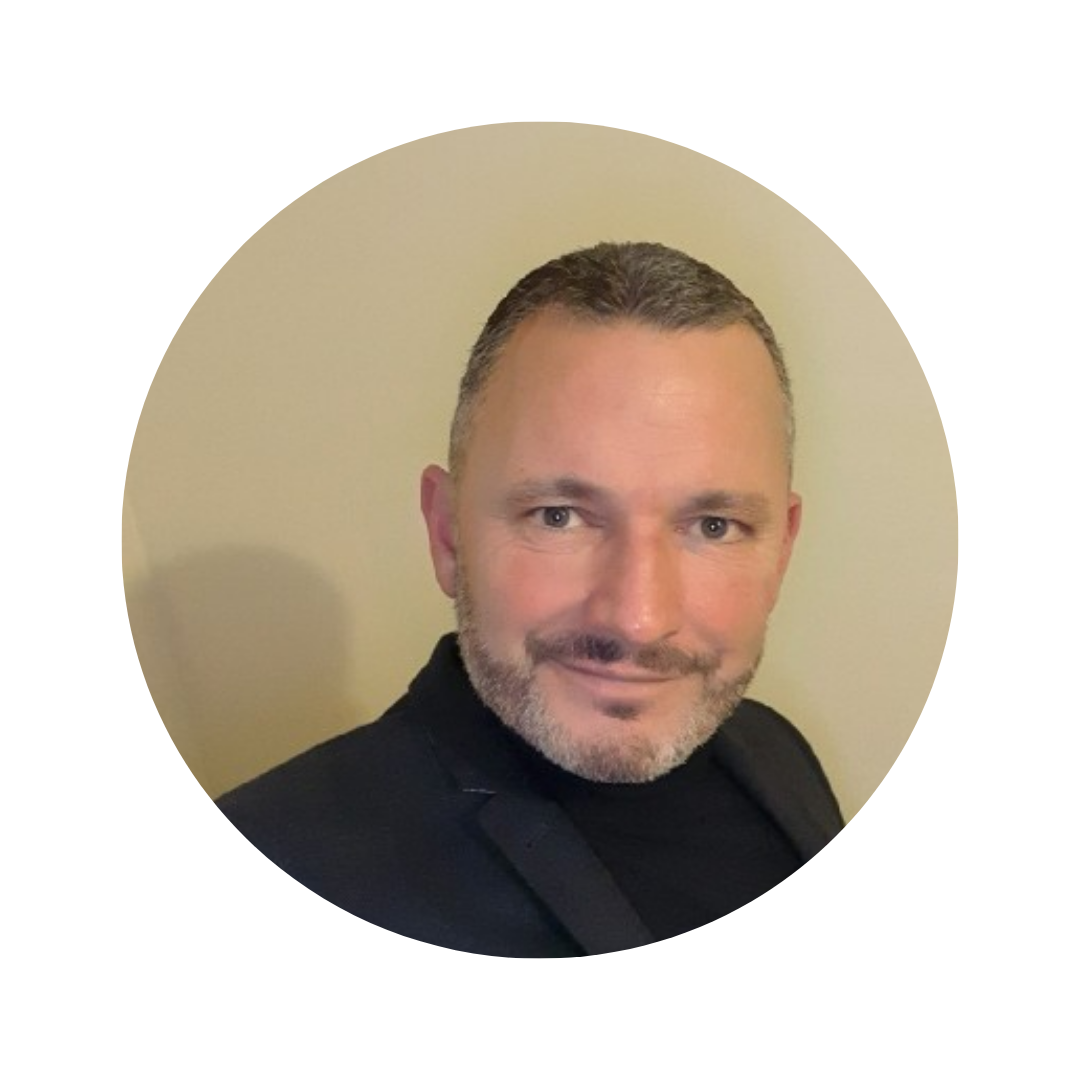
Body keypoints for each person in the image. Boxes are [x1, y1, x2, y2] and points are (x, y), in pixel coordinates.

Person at [218, 241, 844, 957]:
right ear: (448, 534)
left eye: (713, 526)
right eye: (559, 517)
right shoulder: (274, 869)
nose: (639, 619)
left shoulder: (775, 749)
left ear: (781, 551)